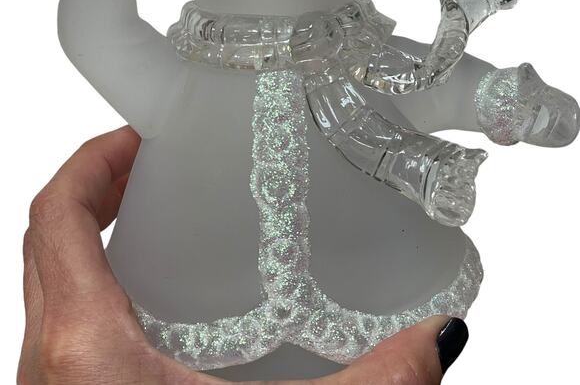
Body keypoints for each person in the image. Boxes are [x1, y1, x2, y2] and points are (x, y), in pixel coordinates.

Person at [17, 126, 468, 384]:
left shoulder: (357, 60)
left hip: (381, 274)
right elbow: (103, 40)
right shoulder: (191, 67)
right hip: (173, 304)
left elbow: (433, 86)